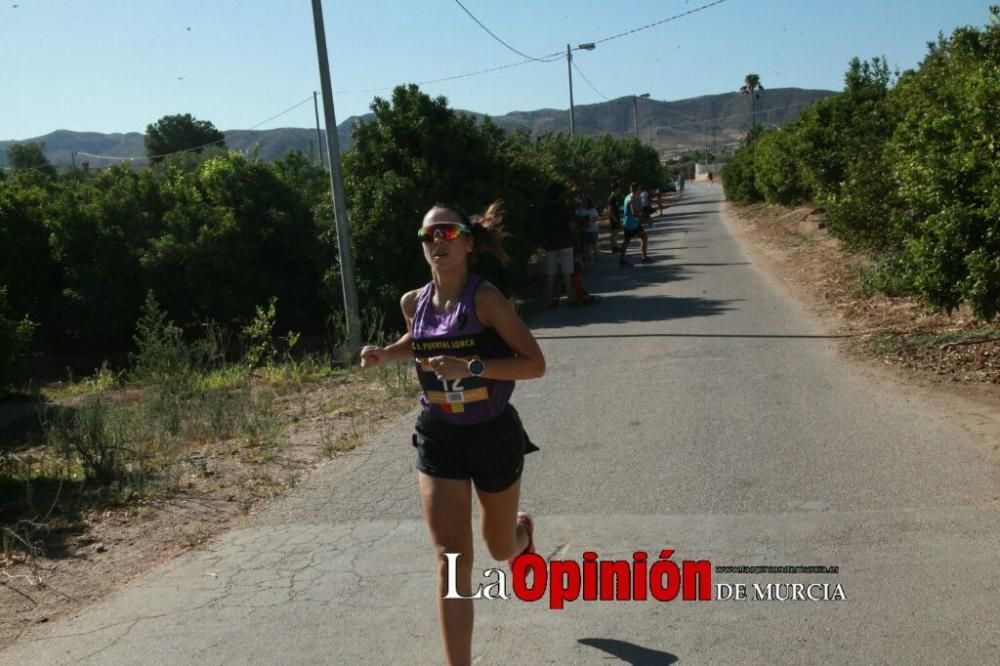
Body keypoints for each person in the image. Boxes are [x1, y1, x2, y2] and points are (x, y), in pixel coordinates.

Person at [360, 200, 545, 666]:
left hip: (492, 434)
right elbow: (418, 344)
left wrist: (473, 366)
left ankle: (522, 536)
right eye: (428, 236)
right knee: (451, 559)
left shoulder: (486, 300)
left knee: (498, 546)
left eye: (447, 233)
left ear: (467, 241)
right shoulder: (412, 303)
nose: (437, 242)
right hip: (439, 433)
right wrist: (386, 354)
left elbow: (535, 364)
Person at [540, 182, 575, 306]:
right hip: (565, 241)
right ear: (559, 195)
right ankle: (570, 297)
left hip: (550, 243)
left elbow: (541, 226)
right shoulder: (563, 207)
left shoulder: (544, 209)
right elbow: (571, 224)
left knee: (551, 272)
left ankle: (550, 299)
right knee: (567, 271)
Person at [619, 182, 650, 266]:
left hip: (631, 223)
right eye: (639, 189)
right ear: (636, 190)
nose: (640, 191)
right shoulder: (632, 198)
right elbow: (633, 213)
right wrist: (643, 219)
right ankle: (622, 260)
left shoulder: (629, 196)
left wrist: (642, 216)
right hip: (630, 224)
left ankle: (643, 257)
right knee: (627, 241)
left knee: (643, 237)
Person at [582, 196, 600, 264]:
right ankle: (588, 258)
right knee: (586, 246)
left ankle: (596, 258)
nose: (584, 203)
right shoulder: (582, 211)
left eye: (585, 202)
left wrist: (589, 220)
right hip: (585, 230)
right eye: (583, 202)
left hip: (593, 230)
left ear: (589, 203)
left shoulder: (593, 210)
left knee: (594, 245)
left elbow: (596, 219)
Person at [607, 182, 623, 253]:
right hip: (614, 217)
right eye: (619, 188)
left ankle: (615, 246)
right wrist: (614, 218)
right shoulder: (612, 198)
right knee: (614, 232)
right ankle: (614, 247)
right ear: (616, 189)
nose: (620, 189)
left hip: (616, 216)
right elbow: (610, 209)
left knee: (616, 232)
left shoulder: (615, 197)